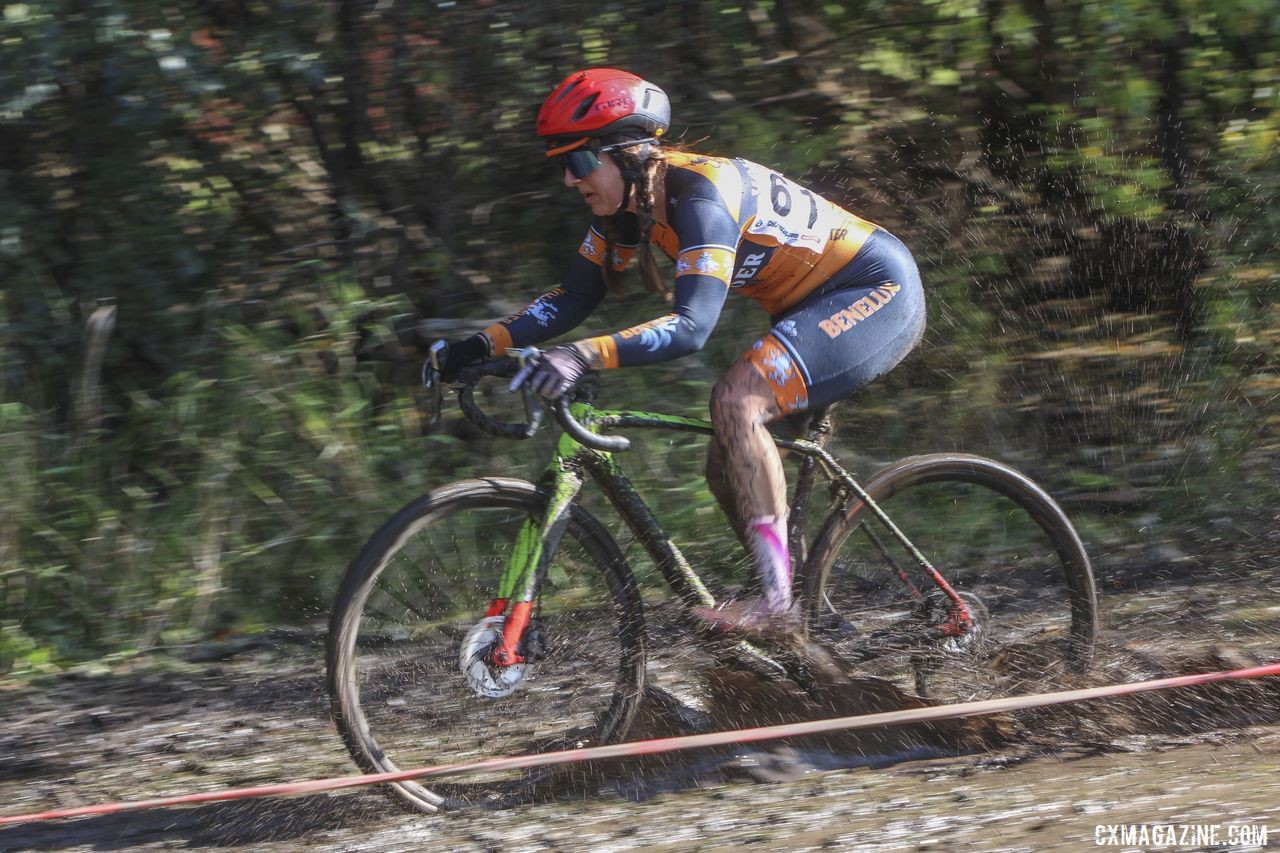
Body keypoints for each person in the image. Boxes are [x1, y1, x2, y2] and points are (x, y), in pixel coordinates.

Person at [436, 68, 925, 633]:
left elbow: (692, 327)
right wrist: (480, 343)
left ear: (630, 154)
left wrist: (583, 355)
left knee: (738, 402)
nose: (570, 180)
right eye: (561, 165)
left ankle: (776, 603)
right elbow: (572, 298)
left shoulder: (699, 195)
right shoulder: (628, 210)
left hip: (873, 289)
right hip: (806, 309)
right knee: (725, 464)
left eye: (579, 161)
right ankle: (798, 611)